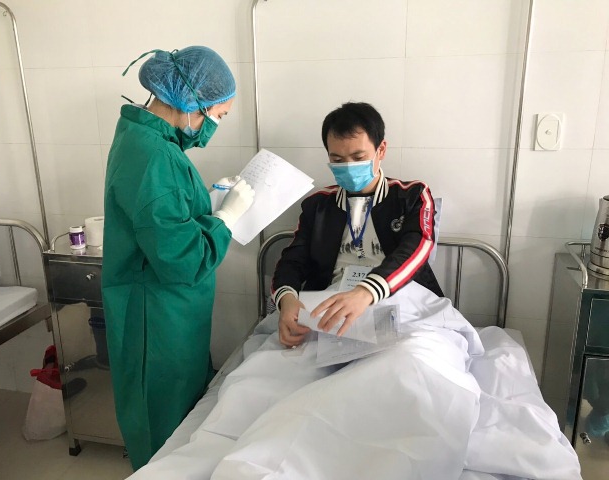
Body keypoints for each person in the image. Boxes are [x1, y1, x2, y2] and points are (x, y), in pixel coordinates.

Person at [102, 46, 254, 470]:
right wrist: (225, 219)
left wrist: (206, 204)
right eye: (217, 115)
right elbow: (182, 259)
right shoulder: (154, 157)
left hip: (170, 313)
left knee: (182, 420)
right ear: (191, 103)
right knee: (162, 427)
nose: (214, 126)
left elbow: (164, 218)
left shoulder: (148, 139)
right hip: (157, 318)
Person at [272, 102, 443, 347]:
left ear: (381, 150)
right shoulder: (318, 205)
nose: (349, 167)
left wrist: (366, 292)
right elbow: (293, 260)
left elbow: (416, 248)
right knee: (287, 362)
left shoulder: (411, 196)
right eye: (337, 159)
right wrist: (287, 299)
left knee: (409, 355)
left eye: (358, 157)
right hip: (331, 303)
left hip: (397, 299)